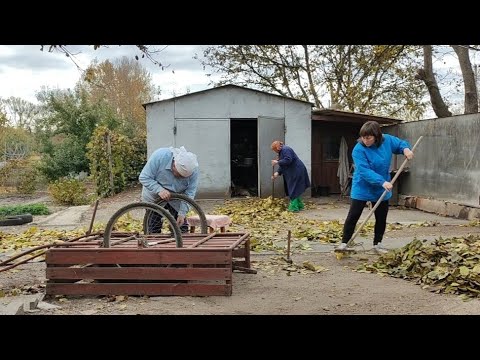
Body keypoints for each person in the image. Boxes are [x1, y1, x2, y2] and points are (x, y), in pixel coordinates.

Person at [336, 121, 413, 254]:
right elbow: (364, 170)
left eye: (368, 138)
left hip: (381, 188)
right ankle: (344, 243)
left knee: (381, 217)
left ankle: (377, 244)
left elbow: (400, 144)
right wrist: (382, 182)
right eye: (363, 137)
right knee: (353, 215)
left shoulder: (387, 140)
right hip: (363, 186)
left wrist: (405, 149)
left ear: (377, 136)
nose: (365, 140)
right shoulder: (358, 149)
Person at [139, 146, 199, 233]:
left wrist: (182, 214)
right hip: (154, 197)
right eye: (178, 174)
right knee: (152, 230)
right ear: (174, 164)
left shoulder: (193, 169)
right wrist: (159, 190)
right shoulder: (159, 156)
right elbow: (144, 177)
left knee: (181, 229)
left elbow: (190, 193)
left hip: (176, 199)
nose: (179, 177)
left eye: (182, 177)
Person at [271, 141, 311, 212]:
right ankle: (299, 205)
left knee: (293, 188)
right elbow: (283, 164)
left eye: (275, 150)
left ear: (277, 147)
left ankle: (294, 208)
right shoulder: (281, 151)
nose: (275, 152)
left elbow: (288, 160)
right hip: (293, 171)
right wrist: (277, 173)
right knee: (295, 188)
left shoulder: (286, 149)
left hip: (296, 171)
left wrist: (277, 162)